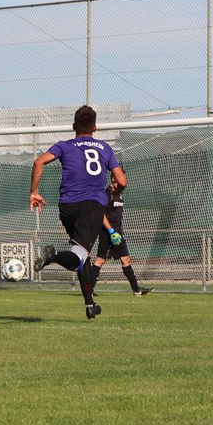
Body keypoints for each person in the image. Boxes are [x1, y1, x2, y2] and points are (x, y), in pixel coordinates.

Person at [30, 105, 127, 320]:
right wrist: (117, 188)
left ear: (74, 126)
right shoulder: (104, 148)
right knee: (78, 255)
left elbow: (39, 162)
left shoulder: (64, 145)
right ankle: (53, 256)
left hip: (67, 207)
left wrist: (34, 192)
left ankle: (90, 305)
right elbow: (121, 180)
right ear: (95, 127)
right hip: (91, 206)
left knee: (83, 254)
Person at [91, 170, 153, 296]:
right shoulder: (106, 193)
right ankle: (88, 289)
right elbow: (101, 214)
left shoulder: (120, 194)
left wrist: (120, 231)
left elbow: (118, 216)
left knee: (126, 259)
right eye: (121, 176)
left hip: (118, 235)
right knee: (100, 260)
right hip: (107, 233)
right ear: (113, 178)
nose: (124, 179)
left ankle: (136, 290)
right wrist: (111, 231)